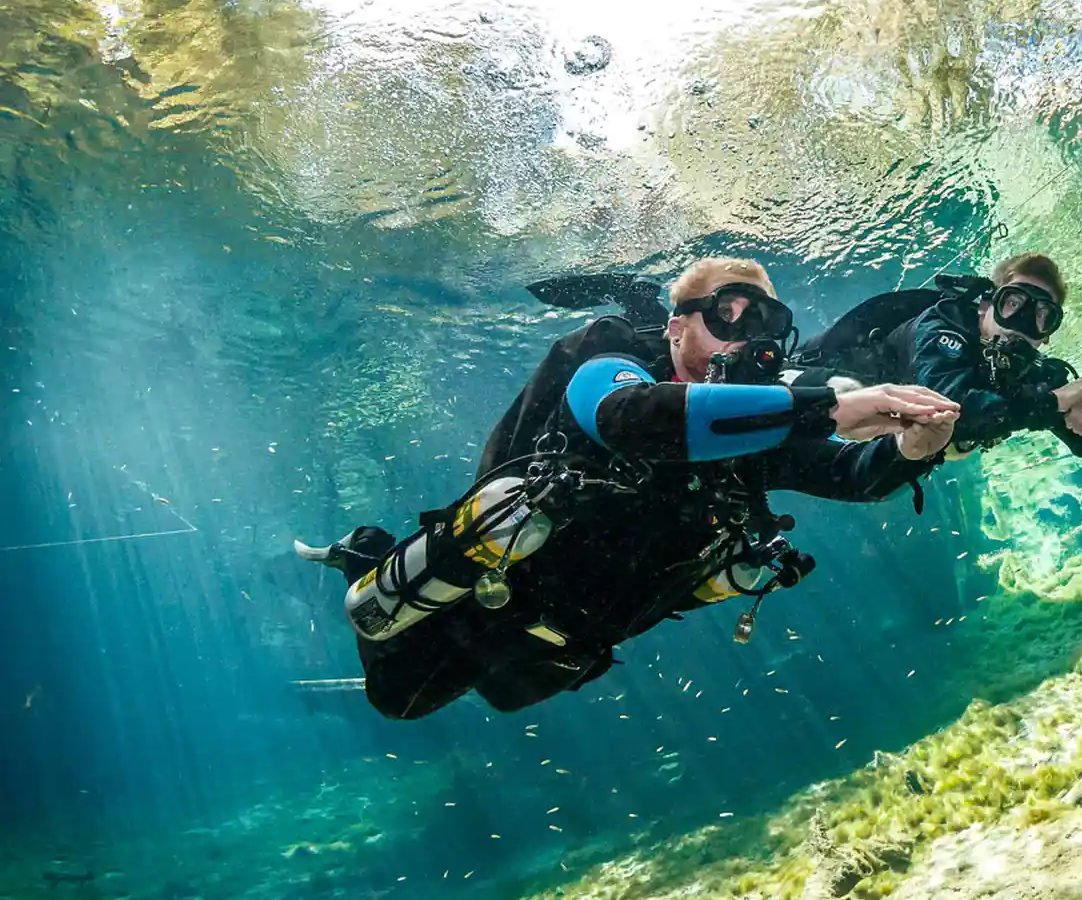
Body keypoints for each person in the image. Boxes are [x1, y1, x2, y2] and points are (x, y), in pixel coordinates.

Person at [297, 257, 959, 720]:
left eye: (765, 322)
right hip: (492, 590)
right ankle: (369, 554)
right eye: (728, 314)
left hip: (575, 636)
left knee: (503, 697)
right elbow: (626, 417)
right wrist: (828, 409)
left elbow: (853, 475)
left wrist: (913, 449)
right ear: (676, 327)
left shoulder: (763, 422)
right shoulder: (611, 357)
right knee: (399, 701)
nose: (749, 336)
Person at [795, 252, 1082, 458]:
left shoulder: (1030, 370)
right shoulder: (942, 326)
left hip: (892, 444)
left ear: (1048, 333)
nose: (1023, 323)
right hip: (826, 391)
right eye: (1013, 303)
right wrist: (1052, 403)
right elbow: (951, 408)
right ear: (985, 305)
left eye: (1041, 314)